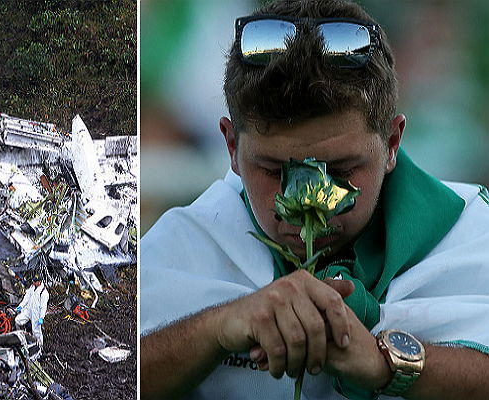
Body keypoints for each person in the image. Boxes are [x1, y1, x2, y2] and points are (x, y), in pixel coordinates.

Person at [140, 1, 489, 399]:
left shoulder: (473, 234)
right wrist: (217, 327)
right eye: (274, 171)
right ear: (231, 146)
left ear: (392, 143)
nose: (311, 202)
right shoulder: (189, 242)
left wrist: (384, 363)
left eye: (340, 171)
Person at [14, 274, 49, 351]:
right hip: (28, 309)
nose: (33, 282)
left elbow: (43, 307)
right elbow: (26, 297)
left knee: (36, 331)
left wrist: (41, 317)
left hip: (36, 313)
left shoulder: (44, 293)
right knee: (18, 320)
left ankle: (40, 347)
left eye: (35, 281)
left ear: (39, 282)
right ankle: (24, 334)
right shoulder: (32, 287)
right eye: (33, 281)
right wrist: (21, 306)